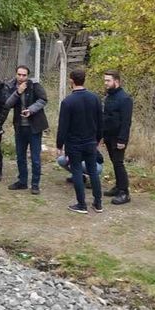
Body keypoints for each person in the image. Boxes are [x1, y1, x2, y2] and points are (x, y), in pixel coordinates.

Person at [56, 69, 103, 214]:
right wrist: (98, 139)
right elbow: (100, 121)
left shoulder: (67, 102)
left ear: (71, 81)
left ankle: (82, 204)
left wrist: (59, 144)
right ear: (84, 80)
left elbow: (63, 126)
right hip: (91, 142)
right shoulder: (95, 98)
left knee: (76, 171)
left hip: (74, 143)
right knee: (93, 171)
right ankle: (98, 203)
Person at [5, 65, 48, 195]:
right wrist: (18, 92)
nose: (21, 77)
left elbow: (43, 99)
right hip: (20, 127)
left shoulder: (34, 86)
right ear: (16, 74)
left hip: (34, 127)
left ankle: (35, 184)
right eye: (19, 74)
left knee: (35, 158)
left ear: (28, 76)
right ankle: (22, 181)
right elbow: (7, 104)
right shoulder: (11, 86)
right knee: (20, 156)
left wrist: (31, 110)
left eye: (24, 75)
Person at [102, 70, 133, 205]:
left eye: (108, 80)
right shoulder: (109, 96)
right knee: (114, 162)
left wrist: (122, 139)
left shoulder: (124, 99)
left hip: (118, 137)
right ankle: (118, 186)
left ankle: (124, 192)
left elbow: (126, 122)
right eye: (105, 80)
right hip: (108, 135)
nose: (106, 83)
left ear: (116, 81)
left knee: (119, 163)